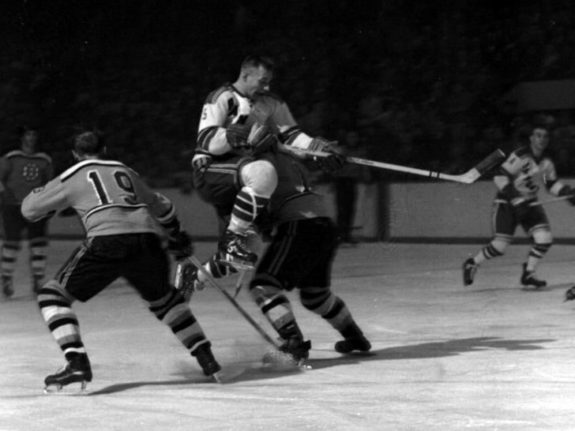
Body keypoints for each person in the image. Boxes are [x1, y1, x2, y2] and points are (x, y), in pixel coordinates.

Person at [21, 131, 221, 392]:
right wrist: (177, 235)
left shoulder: (73, 173)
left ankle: (76, 361)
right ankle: (207, 358)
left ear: (75, 154)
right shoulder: (126, 171)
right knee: (166, 301)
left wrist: (55, 202)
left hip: (106, 242)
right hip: (146, 240)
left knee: (52, 297)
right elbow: (163, 206)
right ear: (105, 148)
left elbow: (29, 209)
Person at [182, 146, 371, 364]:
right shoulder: (288, 155)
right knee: (315, 295)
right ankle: (355, 337)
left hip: (299, 224)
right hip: (325, 225)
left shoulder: (258, 162)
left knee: (264, 286)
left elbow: (259, 204)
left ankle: (293, 344)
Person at [192, 54, 343, 270]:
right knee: (265, 172)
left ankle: (192, 278)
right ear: (245, 75)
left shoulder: (271, 103)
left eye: (269, 81)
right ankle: (231, 240)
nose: (267, 86)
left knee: (247, 253)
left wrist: (317, 150)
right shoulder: (222, 98)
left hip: (245, 178)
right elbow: (207, 142)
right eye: (262, 81)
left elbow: (291, 135)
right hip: (212, 172)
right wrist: (239, 135)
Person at [462, 122, 575, 288]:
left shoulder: (547, 162)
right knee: (499, 247)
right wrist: (515, 198)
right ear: (531, 138)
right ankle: (472, 263)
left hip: (530, 203)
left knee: (544, 239)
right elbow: (500, 177)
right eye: (538, 135)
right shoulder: (521, 155)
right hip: (507, 202)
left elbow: (550, 184)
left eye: (545, 136)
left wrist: (566, 192)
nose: (541, 139)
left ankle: (528, 273)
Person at [0, 126, 53, 297]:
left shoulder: (44, 160)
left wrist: (49, 203)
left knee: (38, 243)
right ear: (22, 138)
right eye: (28, 135)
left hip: (35, 207)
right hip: (13, 206)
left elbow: (49, 184)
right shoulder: (11, 157)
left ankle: (38, 279)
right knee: (12, 243)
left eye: (34, 135)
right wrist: (4, 193)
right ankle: (6, 277)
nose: (31, 138)